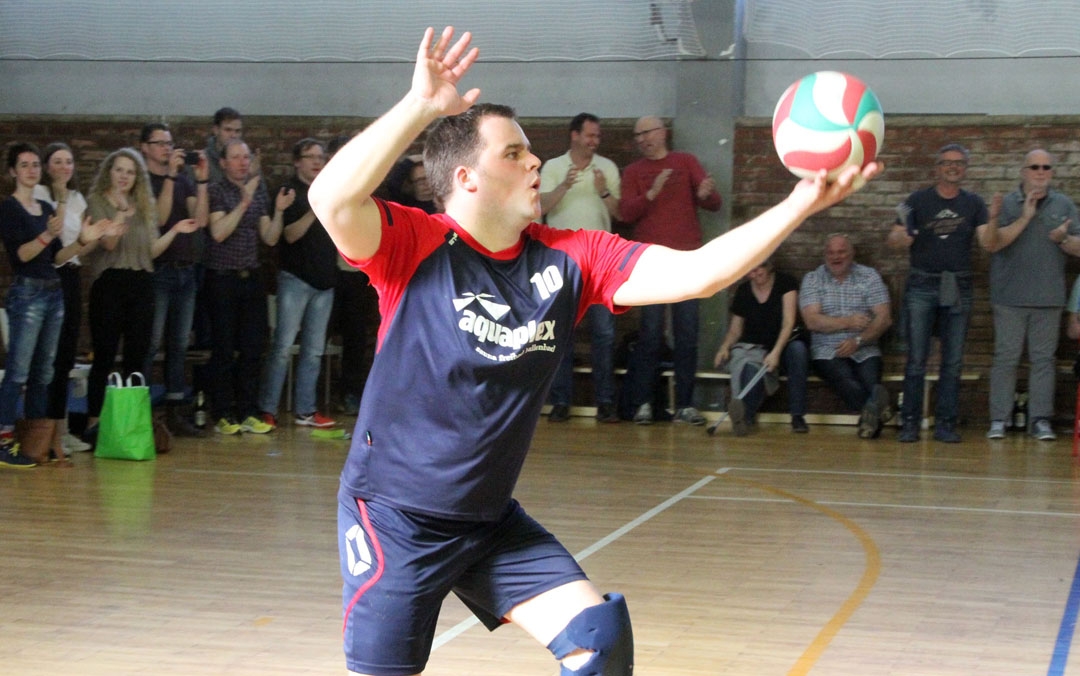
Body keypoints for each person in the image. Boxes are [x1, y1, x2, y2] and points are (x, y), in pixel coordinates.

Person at [307, 26, 880, 676]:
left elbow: (700, 273)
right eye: (514, 153)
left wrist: (800, 203)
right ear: (465, 178)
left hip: (487, 520)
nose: (535, 163)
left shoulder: (571, 257)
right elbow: (330, 198)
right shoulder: (414, 245)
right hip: (394, 517)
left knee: (598, 643)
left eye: (531, 151)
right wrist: (419, 106)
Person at [82, 148, 202, 447]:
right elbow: (109, 245)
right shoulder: (97, 201)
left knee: (137, 357)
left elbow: (151, 250)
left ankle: (131, 423)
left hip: (142, 283)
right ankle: (94, 423)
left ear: (137, 177)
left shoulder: (144, 204)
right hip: (109, 283)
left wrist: (175, 230)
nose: (124, 176)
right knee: (105, 356)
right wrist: (121, 214)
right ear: (109, 172)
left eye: (130, 172)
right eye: (119, 170)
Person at [1, 143, 109, 468]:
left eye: (35, 164)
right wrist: (47, 236)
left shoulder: (46, 207)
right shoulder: (9, 208)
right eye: (24, 165)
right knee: (18, 371)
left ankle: (35, 444)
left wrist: (84, 240)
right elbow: (22, 255)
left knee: (43, 373)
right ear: (12, 171)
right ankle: (4, 439)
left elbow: (59, 257)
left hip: (53, 291)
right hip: (28, 292)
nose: (32, 170)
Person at [620, 114, 722, 425]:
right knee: (650, 334)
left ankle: (685, 406)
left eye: (647, 133)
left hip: (686, 261)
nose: (642, 140)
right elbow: (625, 213)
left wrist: (705, 194)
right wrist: (651, 194)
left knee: (687, 333)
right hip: (650, 263)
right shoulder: (633, 172)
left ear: (663, 132)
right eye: (637, 135)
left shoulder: (685, 161)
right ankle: (644, 404)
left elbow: (714, 202)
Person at [887, 143, 990, 443]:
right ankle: (910, 423)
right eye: (947, 162)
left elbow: (988, 241)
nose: (953, 167)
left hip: (959, 285)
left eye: (959, 163)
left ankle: (945, 424)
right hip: (922, 284)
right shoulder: (916, 201)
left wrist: (996, 221)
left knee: (953, 361)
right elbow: (893, 238)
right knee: (916, 359)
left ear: (965, 169)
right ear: (937, 168)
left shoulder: (974, 203)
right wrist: (902, 237)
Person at [984, 149, 1080, 441]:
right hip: (1009, 297)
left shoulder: (1064, 204)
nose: (1041, 172)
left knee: (1044, 361)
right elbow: (992, 244)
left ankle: (1040, 420)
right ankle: (999, 420)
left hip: (1049, 298)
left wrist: (1063, 238)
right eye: (1035, 167)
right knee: (1006, 359)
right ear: (1023, 172)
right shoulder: (1006, 204)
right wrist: (1025, 217)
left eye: (1046, 167)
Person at [539, 112, 622, 423]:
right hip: (562, 260)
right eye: (590, 135)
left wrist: (603, 190)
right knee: (560, 333)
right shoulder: (553, 167)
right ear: (574, 135)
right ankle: (561, 401)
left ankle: (605, 403)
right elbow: (540, 207)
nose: (594, 141)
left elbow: (620, 213)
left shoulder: (607, 168)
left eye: (597, 136)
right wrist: (564, 186)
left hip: (601, 261)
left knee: (604, 333)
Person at [205, 139, 290, 435]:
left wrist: (279, 211)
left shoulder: (258, 189)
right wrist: (244, 202)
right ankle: (223, 413)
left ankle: (248, 411)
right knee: (224, 349)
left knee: (253, 348)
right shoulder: (217, 191)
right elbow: (218, 232)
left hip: (251, 278)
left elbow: (269, 237)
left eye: (246, 157)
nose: (243, 162)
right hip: (222, 279)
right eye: (236, 157)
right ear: (223, 163)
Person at [257, 138, 337, 430]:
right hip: (295, 281)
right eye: (310, 156)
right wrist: (316, 209)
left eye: (320, 156)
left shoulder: (328, 191)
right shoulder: (288, 192)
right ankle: (267, 409)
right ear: (296, 162)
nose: (317, 161)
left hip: (325, 283)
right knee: (282, 348)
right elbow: (290, 235)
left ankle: (306, 410)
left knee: (314, 351)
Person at [140, 123, 210, 437]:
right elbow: (159, 218)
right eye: (159, 143)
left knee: (179, 346)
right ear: (145, 147)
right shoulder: (143, 181)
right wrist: (169, 176)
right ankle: (140, 414)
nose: (166, 148)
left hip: (186, 270)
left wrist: (202, 180)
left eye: (169, 143)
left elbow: (202, 220)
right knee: (150, 344)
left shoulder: (183, 180)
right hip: (158, 271)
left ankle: (174, 415)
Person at [799, 233, 893, 439]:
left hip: (865, 346)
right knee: (846, 380)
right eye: (831, 252)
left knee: (870, 381)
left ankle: (871, 416)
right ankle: (878, 408)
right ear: (824, 255)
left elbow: (884, 318)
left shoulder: (869, 276)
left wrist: (858, 340)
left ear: (852, 253)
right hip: (827, 349)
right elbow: (812, 321)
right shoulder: (813, 279)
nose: (836, 257)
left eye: (841, 252)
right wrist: (848, 322)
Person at [34, 142, 92, 456]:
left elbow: (81, 243)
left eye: (68, 161)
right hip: (49, 275)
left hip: (71, 274)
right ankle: (45, 434)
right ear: (47, 166)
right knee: (50, 357)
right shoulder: (40, 195)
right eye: (57, 161)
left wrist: (98, 235)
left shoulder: (78, 198)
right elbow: (55, 238)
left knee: (67, 355)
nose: (64, 167)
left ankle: (64, 429)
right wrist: (59, 199)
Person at [713, 258, 809, 435]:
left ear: (769, 266)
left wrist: (776, 352)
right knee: (749, 369)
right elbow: (735, 330)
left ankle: (797, 416)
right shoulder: (743, 291)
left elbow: (788, 322)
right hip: (756, 347)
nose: (755, 274)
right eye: (751, 271)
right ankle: (744, 417)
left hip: (784, 344)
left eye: (759, 269)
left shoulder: (786, 283)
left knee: (798, 351)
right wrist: (724, 347)